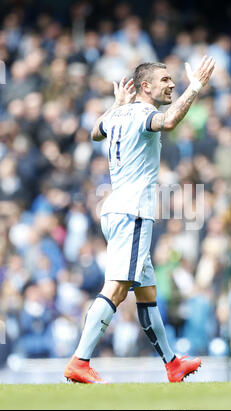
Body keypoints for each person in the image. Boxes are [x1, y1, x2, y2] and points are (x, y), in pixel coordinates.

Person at [64, 55, 216, 383]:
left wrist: (116, 103)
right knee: (118, 288)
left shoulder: (117, 113)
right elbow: (171, 121)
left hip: (118, 207)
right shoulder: (147, 113)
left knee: (146, 293)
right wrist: (196, 88)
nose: (172, 84)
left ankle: (172, 364)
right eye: (165, 81)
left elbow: (94, 132)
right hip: (132, 212)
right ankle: (80, 360)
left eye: (174, 80)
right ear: (145, 87)